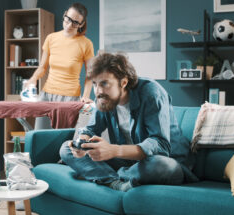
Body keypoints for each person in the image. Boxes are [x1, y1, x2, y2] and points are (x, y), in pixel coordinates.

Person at [59, 52, 198, 192]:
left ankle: (102, 175)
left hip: (167, 162)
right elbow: (90, 129)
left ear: (123, 82)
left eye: (104, 83)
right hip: (129, 162)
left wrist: (113, 150)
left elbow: (160, 146)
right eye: (95, 84)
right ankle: (115, 183)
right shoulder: (104, 98)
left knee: (159, 165)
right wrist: (82, 143)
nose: (98, 91)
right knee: (66, 148)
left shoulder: (151, 92)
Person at [25, 2, 94, 129]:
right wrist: (33, 79)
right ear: (65, 15)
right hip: (47, 95)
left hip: (70, 98)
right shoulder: (51, 38)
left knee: (62, 140)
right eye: (68, 19)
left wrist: (85, 96)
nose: (69, 24)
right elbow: (42, 67)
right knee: (39, 135)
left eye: (75, 22)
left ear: (81, 24)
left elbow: (90, 74)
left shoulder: (86, 44)